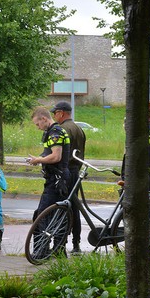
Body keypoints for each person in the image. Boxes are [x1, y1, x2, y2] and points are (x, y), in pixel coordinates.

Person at [51, 101, 86, 254]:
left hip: (66, 172)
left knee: (63, 207)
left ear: (61, 113)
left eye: (55, 113)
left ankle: (61, 245)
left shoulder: (62, 129)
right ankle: (76, 243)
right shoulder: (79, 128)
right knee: (75, 207)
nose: (54, 116)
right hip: (76, 172)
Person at [27, 106, 71, 220]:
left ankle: (44, 238)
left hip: (57, 178)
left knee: (43, 215)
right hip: (55, 177)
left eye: (38, 124)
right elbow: (49, 153)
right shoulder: (51, 132)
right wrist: (39, 158)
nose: (38, 127)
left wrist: (38, 160)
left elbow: (56, 156)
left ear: (44, 119)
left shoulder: (55, 132)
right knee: (54, 215)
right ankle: (56, 237)